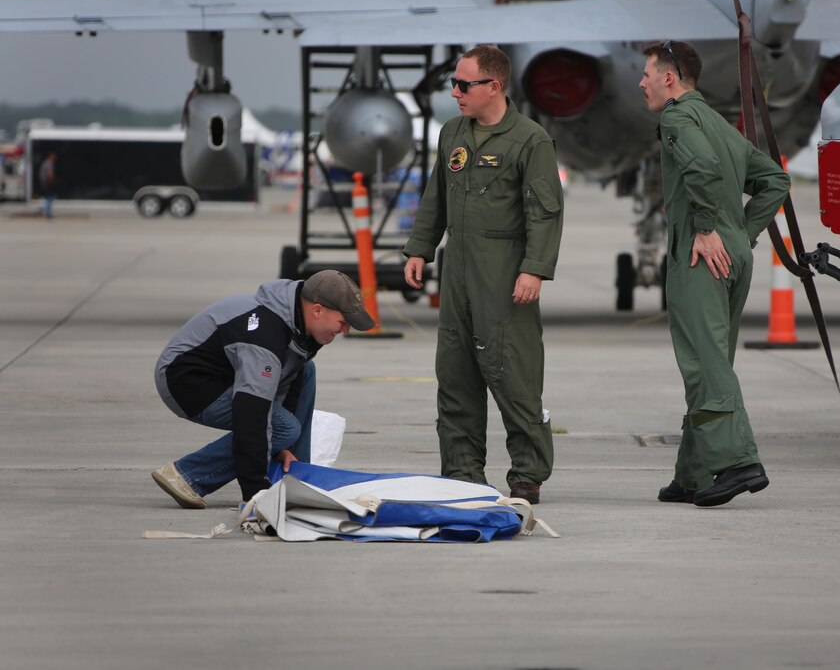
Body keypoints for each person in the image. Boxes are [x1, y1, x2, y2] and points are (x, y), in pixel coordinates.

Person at [403, 44, 564, 505]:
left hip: (504, 270)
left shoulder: (530, 141)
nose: (454, 92)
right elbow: (436, 195)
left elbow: (545, 213)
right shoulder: (452, 132)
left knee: (512, 371)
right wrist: (420, 248)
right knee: (455, 372)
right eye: (453, 83)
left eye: (463, 84)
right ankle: (462, 472)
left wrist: (534, 269)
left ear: (493, 87)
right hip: (458, 269)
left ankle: (527, 474)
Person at [639, 40, 790, 508]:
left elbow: (700, 166)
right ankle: (693, 474)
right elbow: (774, 181)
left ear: (670, 78)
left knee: (704, 363)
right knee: (712, 358)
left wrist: (706, 229)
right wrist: (740, 234)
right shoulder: (721, 125)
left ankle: (739, 462)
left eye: (647, 73)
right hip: (732, 255)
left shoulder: (677, 117)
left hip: (700, 255)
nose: (641, 82)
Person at [151, 270, 374, 508]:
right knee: (284, 428)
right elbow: (252, 414)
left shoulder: (297, 320)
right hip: (186, 383)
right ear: (317, 310)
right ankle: (187, 476)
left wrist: (282, 451)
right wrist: (256, 492)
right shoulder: (265, 335)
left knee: (307, 372)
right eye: (343, 322)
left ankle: (294, 477)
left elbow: (293, 377)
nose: (345, 330)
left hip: (223, 376)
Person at [38, 151, 57, 219]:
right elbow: (49, 174)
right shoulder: (49, 163)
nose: (55, 158)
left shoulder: (46, 162)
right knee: (50, 197)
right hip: (47, 183)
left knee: (47, 197)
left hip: (45, 182)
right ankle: (46, 212)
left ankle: (45, 211)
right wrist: (53, 182)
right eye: (54, 156)